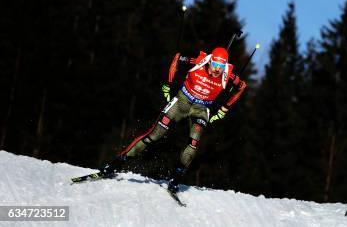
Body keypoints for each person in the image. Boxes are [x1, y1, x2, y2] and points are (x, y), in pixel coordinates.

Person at [99, 46, 248, 193]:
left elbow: (242, 86)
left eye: (221, 66)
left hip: (201, 109)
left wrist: (224, 109)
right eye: (215, 64)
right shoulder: (199, 61)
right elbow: (177, 58)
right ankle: (116, 163)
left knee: (194, 143)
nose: (217, 69)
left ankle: (176, 178)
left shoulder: (227, 75)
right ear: (210, 61)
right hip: (182, 102)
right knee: (154, 135)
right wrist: (168, 84)